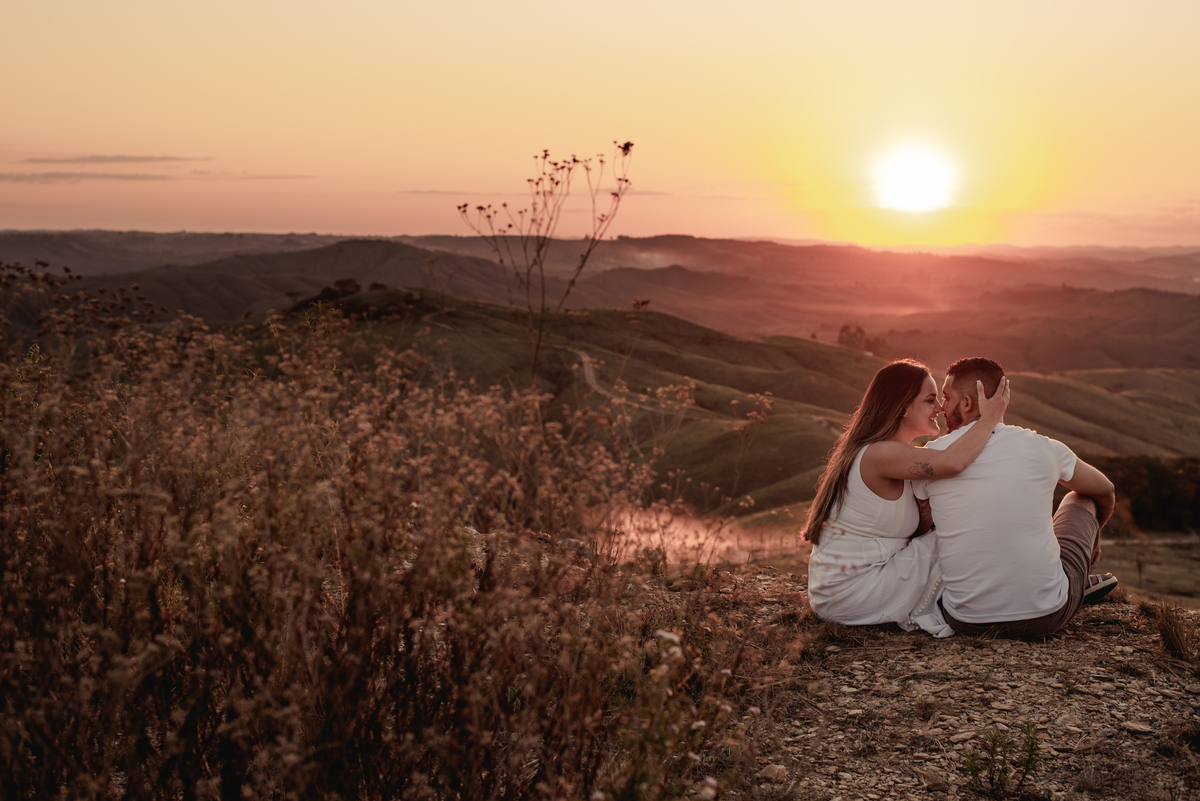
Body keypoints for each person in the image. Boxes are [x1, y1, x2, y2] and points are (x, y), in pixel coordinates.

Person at [912, 357, 1117, 639]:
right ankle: (1073, 582)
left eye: (946, 397)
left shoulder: (933, 458)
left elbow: (923, 526)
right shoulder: (1043, 447)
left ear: (967, 403)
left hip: (965, 619)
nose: (941, 407)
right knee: (1081, 499)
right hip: (1044, 618)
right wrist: (1094, 540)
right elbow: (1105, 490)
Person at [803, 358, 1010, 628]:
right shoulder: (880, 453)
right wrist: (990, 418)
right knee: (968, 533)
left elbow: (915, 530)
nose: (939, 408)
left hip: (844, 591)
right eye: (930, 400)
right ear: (902, 407)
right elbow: (952, 462)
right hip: (851, 592)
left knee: (959, 533)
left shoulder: (896, 458)